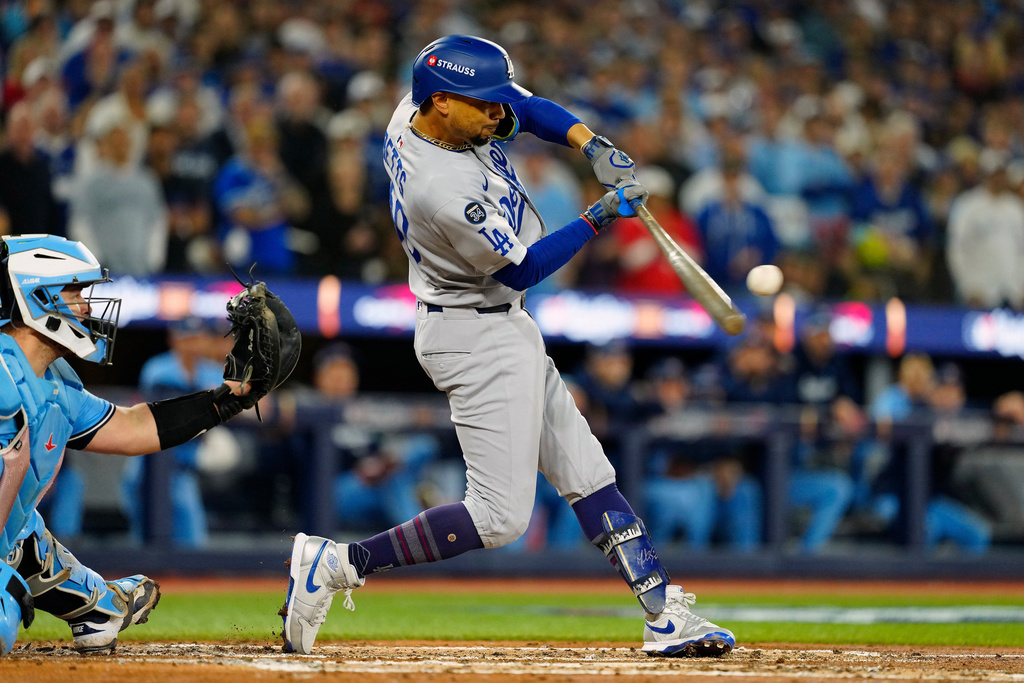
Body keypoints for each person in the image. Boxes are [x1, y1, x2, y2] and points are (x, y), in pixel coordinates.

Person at [281, 35, 734, 659]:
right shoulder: (440, 187)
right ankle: (336, 563)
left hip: (501, 326)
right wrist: (597, 216)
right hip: (473, 332)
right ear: (441, 103)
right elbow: (519, 270)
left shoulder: (419, 109)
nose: (500, 116)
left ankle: (663, 616)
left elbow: (531, 108)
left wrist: (589, 144)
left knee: (587, 471)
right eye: (484, 106)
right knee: (499, 518)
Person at [0, 233, 266, 655]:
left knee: (94, 606)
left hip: (12, 538)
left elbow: (135, 427)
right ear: (37, 293)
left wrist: (231, 399)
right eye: (74, 291)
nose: (87, 307)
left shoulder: (58, 387)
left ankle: (94, 603)